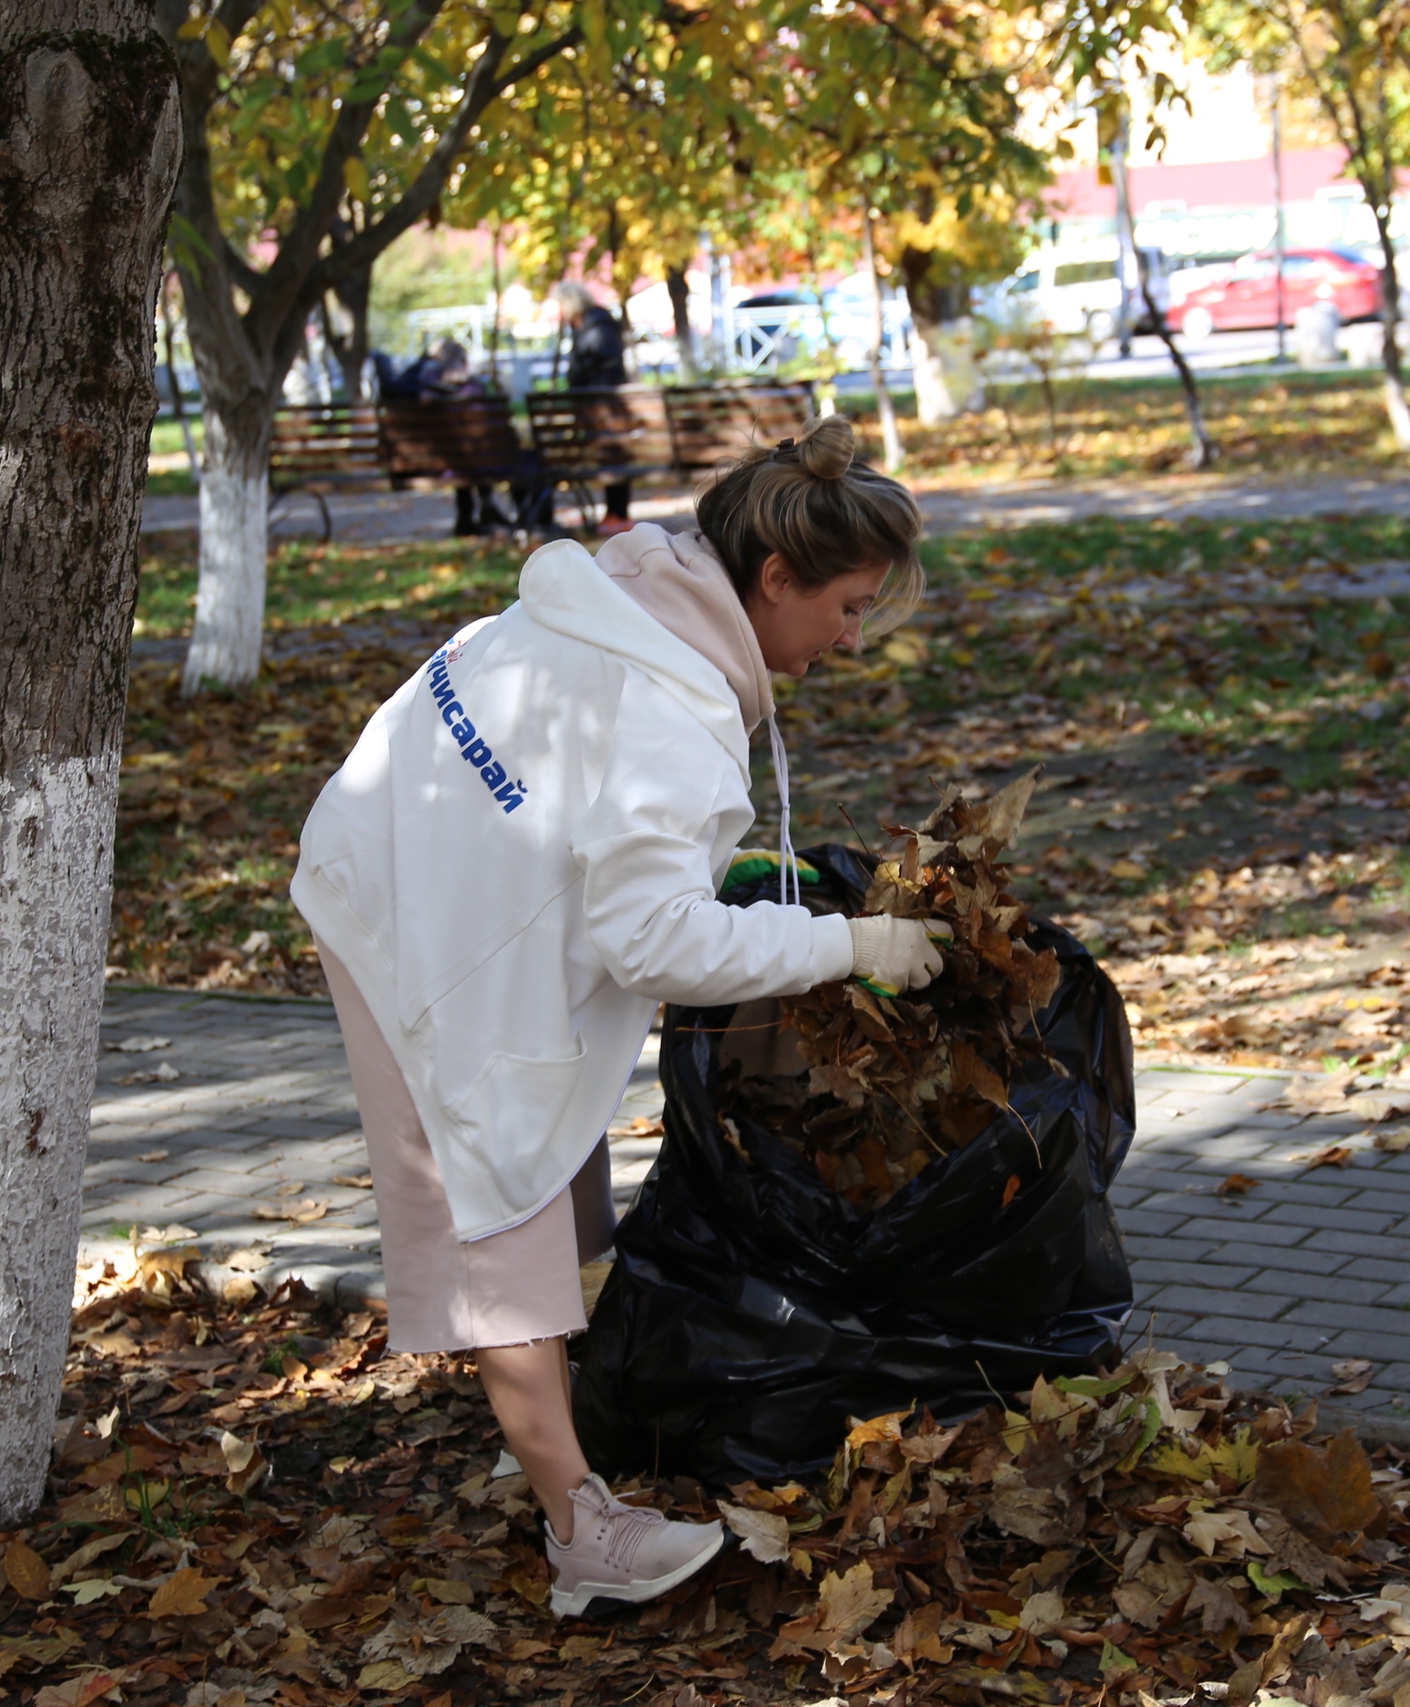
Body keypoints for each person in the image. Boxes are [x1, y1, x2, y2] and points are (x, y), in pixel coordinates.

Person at [290, 415, 944, 1615]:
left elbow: (611, 846)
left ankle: (552, 1423)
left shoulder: (638, 595)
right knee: (502, 1204)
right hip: (406, 917)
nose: (851, 640)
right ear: (775, 577)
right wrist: (852, 944)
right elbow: (651, 939)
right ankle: (575, 1528)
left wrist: (736, 885)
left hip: (407, 854)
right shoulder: (666, 721)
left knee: (547, 1176)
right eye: (845, 606)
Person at [407, 337, 513, 537]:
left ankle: (466, 519)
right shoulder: (476, 389)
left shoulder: (428, 389)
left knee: (462, 459)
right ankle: (487, 508)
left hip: (445, 462)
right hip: (482, 460)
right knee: (477, 456)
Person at [556, 281, 636, 536]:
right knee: (610, 453)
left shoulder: (595, 328)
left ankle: (618, 514)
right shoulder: (594, 325)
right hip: (602, 413)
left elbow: (599, 369)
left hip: (604, 411)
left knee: (612, 454)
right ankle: (614, 514)